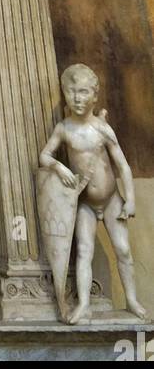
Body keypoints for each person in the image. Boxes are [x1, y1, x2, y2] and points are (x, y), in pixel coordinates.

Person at [39, 63, 146, 324]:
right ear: (65, 93)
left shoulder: (102, 129)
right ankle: (84, 303)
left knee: (122, 249)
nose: (77, 98)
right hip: (84, 201)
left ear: (95, 95)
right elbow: (44, 156)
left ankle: (131, 301)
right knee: (84, 251)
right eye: (72, 91)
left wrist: (130, 199)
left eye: (84, 92)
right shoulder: (64, 128)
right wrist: (59, 166)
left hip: (111, 200)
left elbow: (122, 165)